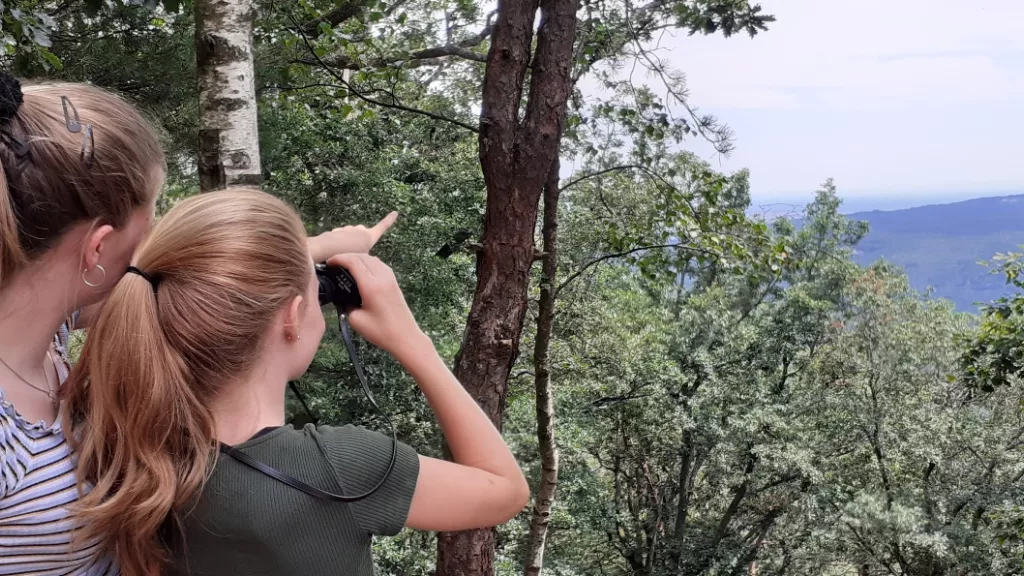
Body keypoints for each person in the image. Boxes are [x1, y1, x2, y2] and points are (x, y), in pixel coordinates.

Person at [0, 69, 397, 575]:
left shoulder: (43, 319)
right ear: (98, 248)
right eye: (150, 220)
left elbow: (167, 283)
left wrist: (313, 251)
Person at [63, 188, 530, 576]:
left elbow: (157, 282)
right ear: (291, 317)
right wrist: (414, 343)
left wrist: (299, 255)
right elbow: (504, 489)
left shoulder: (113, 443)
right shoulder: (342, 469)